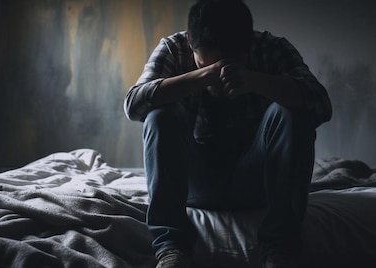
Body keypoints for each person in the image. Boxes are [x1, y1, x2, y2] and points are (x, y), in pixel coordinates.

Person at [123, 0, 332, 267]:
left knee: (292, 111)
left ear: (249, 45)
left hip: (257, 178)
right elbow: (133, 104)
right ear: (190, 41)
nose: (221, 74)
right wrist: (202, 77)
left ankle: (280, 250)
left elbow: (322, 104)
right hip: (193, 181)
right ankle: (172, 247)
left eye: (231, 64)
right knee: (161, 114)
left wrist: (254, 80)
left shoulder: (272, 48)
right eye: (208, 63)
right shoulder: (174, 48)